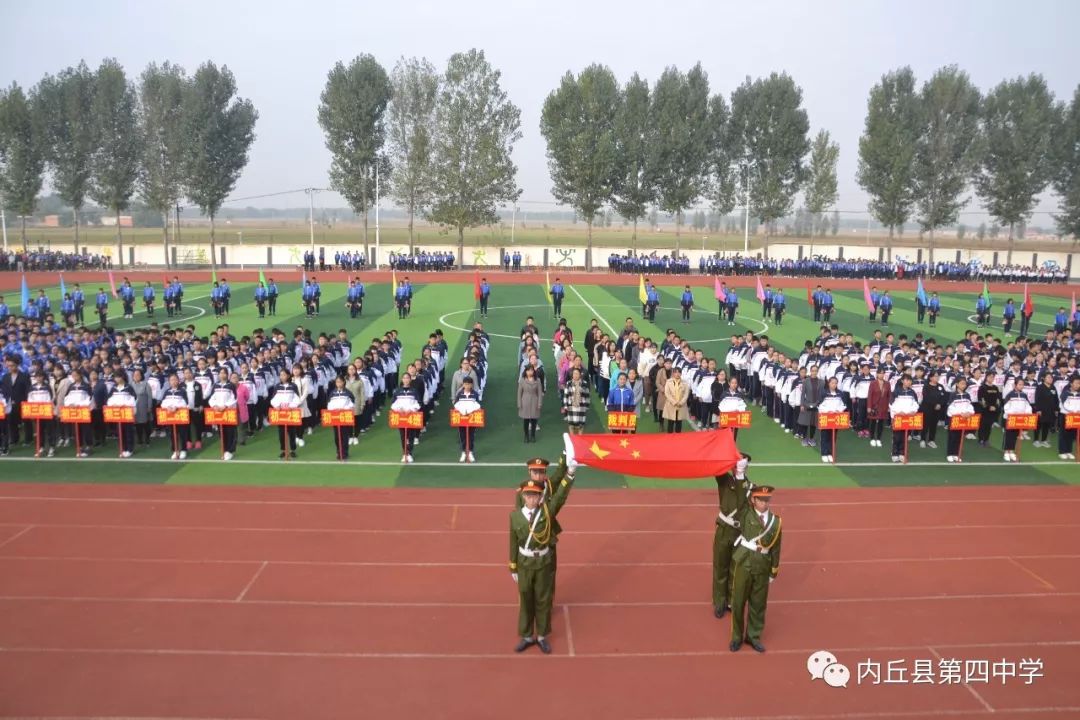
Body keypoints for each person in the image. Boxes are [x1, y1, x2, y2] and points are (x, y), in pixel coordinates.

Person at [509, 465, 576, 654]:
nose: (531, 498)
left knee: (543, 599)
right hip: (524, 563)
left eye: (535, 495)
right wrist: (512, 566)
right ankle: (527, 635)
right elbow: (513, 541)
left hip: (543, 562)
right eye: (528, 495)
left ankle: (541, 636)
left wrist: (570, 474)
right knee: (526, 599)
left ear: (540, 498)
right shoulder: (515, 517)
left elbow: (560, 497)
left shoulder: (546, 512)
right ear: (523, 497)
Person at [729, 484, 782, 653]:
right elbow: (739, 498)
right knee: (738, 602)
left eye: (767, 500)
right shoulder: (745, 513)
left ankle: (753, 636)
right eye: (761, 500)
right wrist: (739, 476)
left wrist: (774, 569)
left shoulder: (776, 522)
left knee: (758, 604)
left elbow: (776, 547)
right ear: (753, 500)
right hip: (744, 562)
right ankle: (737, 637)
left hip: (763, 565)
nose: (765, 503)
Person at [712, 454, 750, 619]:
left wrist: (740, 476)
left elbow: (742, 501)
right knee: (721, 565)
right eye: (735, 465)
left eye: (741, 465)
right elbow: (716, 469)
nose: (737, 468)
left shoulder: (749, 487)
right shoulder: (724, 481)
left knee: (735, 569)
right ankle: (719, 601)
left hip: (738, 532)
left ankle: (731, 600)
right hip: (724, 529)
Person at [269, 369, 302, 459]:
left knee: (291, 432)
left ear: (288, 376)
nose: (282, 377)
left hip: (290, 412)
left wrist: (291, 406)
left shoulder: (293, 386)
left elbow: (297, 399)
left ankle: (292, 450)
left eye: (284, 375)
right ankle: (283, 450)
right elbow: (273, 399)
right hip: (280, 413)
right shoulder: (277, 386)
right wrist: (276, 406)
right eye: (281, 375)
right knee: (281, 432)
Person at [207, 369, 239, 461]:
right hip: (218, 412)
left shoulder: (231, 385)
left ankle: (230, 451)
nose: (222, 375)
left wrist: (225, 406)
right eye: (220, 373)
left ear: (227, 374)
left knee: (231, 431)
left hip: (228, 412)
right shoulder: (215, 385)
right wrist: (215, 406)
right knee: (221, 431)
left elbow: (234, 398)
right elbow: (211, 398)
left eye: (224, 373)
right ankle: (224, 449)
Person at [889, 374, 919, 463]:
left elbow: (916, 404)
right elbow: (891, 404)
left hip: (908, 418)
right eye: (906, 380)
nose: (909, 382)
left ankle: (902, 453)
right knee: (897, 436)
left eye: (910, 380)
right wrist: (898, 411)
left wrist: (913, 411)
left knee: (905, 436)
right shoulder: (896, 392)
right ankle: (894, 453)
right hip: (898, 417)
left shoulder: (912, 392)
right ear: (902, 381)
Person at [106, 372, 137, 458]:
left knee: (128, 431)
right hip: (117, 413)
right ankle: (122, 448)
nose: (116, 379)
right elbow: (109, 399)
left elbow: (133, 398)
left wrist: (124, 404)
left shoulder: (128, 387)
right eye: (115, 378)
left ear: (122, 377)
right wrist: (114, 404)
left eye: (118, 377)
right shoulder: (114, 388)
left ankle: (130, 449)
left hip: (126, 412)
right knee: (120, 431)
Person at [160, 373, 190, 460]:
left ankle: (183, 450)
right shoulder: (167, 392)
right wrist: (168, 407)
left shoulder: (182, 391)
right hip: (170, 417)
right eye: (171, 380)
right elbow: (163, 403)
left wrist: (176, 407)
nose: (173, 381)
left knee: (182, 433)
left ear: (178, 381)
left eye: (175, 379)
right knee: (172, 434)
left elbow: (185, 402)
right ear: (169, 382)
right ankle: (175, 450)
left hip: (180, 416)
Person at [1002, 379, 1033, 463]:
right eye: (1019, 384)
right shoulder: (1010, 395)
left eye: (1022, 385)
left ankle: (1011, 451)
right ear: (1015, 385)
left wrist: (1027, 413)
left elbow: (1028, 406)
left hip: (1020, 419)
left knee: (1015, 435)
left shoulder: (1024, 395)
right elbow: (1006, 407)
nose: (1021, 386)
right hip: (1010, 418)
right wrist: (1012, 414)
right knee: (1008, 435)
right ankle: (1006, 451)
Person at [945, 377, 975, 463]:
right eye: (962, 383)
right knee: (952, 437)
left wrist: (969, 412)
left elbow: (970, 406)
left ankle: (956, 454)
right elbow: (950, 408)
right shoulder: (953, 395)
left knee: (960, 437)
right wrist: (960, 413)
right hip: (955, 419)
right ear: (957, 384)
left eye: (965, 384)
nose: (963, 385)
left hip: (963, 419)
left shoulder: (967, 395)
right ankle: (950, 454)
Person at [326, 375, 356, 461]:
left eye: (340, 382)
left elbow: (351, 404)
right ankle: (338, 451)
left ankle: (344, 452)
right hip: (335, 417)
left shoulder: (348, 393)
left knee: (344, 435)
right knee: (336, 435)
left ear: (343, 382)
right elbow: (329, 404)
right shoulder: (332, 393)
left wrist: (343, 409)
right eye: (337, 382)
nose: (338, 383)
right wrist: (333, 410)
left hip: (344, 416)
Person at [453, 375, 482, 462]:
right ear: (463, 385)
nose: (467, 386)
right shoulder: (459, 394)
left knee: (471, 435)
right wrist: (462, 411)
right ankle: (463, 452)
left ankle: (470, 452)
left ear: (472, 385)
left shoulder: (475, 394)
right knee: (462, 435)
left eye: (469, 384)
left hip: (472, 418)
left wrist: (470, 410)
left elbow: (478, 405)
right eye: (465, 384)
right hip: (461, 418)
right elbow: (456, 405)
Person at [817, 377, 846, 463]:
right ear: (829, 383)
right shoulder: (823, 393)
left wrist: (839, 410)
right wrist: (827, 411)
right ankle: (824, 453)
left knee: (833, 436)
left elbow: (843, 405)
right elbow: (819, 405)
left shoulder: (840, 393)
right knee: (825, 435)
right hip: (826, 417)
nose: (834, 385)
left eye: (835, 383)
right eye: (832, 383)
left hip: (835, 418)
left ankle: (830, 453)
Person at [919, 371, 946, 449]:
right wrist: (935, 404)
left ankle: (931, 440)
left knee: (934, 425)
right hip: (927, 408)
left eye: (938, 376)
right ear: (930, 378)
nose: (937, 378)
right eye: (935, 376)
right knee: (925, 424)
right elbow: (926, 398)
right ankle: (922, 439)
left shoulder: (940, 386)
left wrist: (940, 404)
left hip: (937, 410)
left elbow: (944, 397)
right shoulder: (926, 386)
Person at [1033, 372, 1060, 449]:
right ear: (1044, 378)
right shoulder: (1040, 387)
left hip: (1050, 410)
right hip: (1041, 410)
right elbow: (1037, 399)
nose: (1050, 379)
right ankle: (1036, 440)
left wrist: (1056, 409)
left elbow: (1056, 399)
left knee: (1047, 425)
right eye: (1048, 377)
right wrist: (1038, 409)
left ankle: (1044, 440)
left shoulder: (1053, 387)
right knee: (1038, 425)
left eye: (1051, 377)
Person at [561, 366, 590, 435]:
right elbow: (566, 395)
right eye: (574, 374)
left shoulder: (584, 383)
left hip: (581, 407)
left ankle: (580, 440)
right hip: (571, 406)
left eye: (577, 374)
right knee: (571, 425)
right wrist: (565, 406)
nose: (575, 375)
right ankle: (573, 440)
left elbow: (587, 395)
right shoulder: (569, 383)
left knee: (581, 425)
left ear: (580, 375)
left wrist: (587, 406)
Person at [518, 364, 543, 443]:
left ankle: (533, 435)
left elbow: (539, 393)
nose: (530, 372)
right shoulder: (522, 380)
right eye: (528, 370)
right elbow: (519, 393)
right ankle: (526, 435)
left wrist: (539, 403)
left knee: (534, 420)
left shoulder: (537, 380)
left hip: (534, 401)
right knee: (526, 420)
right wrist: (519, 403)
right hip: (525, 401)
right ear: (526, 371)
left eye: (531, 370)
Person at [1058, 375, 1080, 460]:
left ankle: (1069, 451)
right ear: (1071, 383)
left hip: (1076, 417)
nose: (1078, 385)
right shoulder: (1065, 393)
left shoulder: (1079, 394)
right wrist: (1075, 410)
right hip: (1066, 416)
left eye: (1079, 383)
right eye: (1076, 383)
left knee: (1071, 434)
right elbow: (1065, 405)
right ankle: (1062, 451)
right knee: (1064, 434)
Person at [662, 366, 689, 433]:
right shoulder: (668, 382)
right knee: (670, 422)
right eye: (675, 372)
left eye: (679, 372)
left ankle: (678, 438)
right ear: (673, 373)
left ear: (681, 374)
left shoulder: (685, 383)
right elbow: (667, 393)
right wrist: (674, 402)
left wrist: (681, 402)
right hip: (671, 405)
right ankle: (670, 439)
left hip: (681, 405)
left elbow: (686, 394)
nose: (677, 374)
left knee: (679, 422)